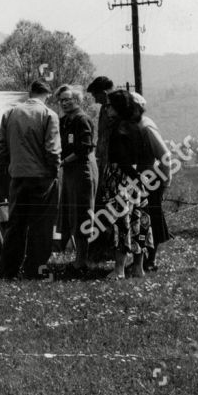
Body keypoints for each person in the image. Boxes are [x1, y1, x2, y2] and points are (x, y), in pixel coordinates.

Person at [0, 80, 62, 280]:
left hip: (18, 176)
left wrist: (12, 166)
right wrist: (54, 169)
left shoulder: (9, 114)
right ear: (47, 95)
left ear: (29, 93)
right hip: (42, 178)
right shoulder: (49, 115)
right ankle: (34, 271)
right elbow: (52, 150)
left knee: (15, 226)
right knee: (41, 227)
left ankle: (7, 271)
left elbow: (1, 147)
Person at [103, 90, 170, 278]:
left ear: (117, 108)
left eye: (109, 105)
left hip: (121, 179)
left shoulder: (119, 128)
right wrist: (140, 178)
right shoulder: (136, 126)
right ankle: (139, 267)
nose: (106, 109)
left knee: (121, 223)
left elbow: (122, 160)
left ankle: (119, 269)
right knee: (139, 222)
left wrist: (133, 176)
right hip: (137, 179)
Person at [55, 85, 97, 275]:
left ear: (77, 100)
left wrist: (62, 162)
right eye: (62, 100)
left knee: (82, 213)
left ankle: (82, 260)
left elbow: (84, 149)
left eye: (68, 99)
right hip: (70, 171)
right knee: (71, 212)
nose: (64, 103)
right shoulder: (64, 121)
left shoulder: (82, 120)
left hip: (82, 170)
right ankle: (76, 258)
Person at [85, 75, 116, 263]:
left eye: (96, 96)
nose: (95, 101)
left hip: (114, 165)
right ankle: (102, 250)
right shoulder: (106, 108)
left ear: (104, 93)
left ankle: (112, 250)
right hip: (103, 163)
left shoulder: (117, 108)